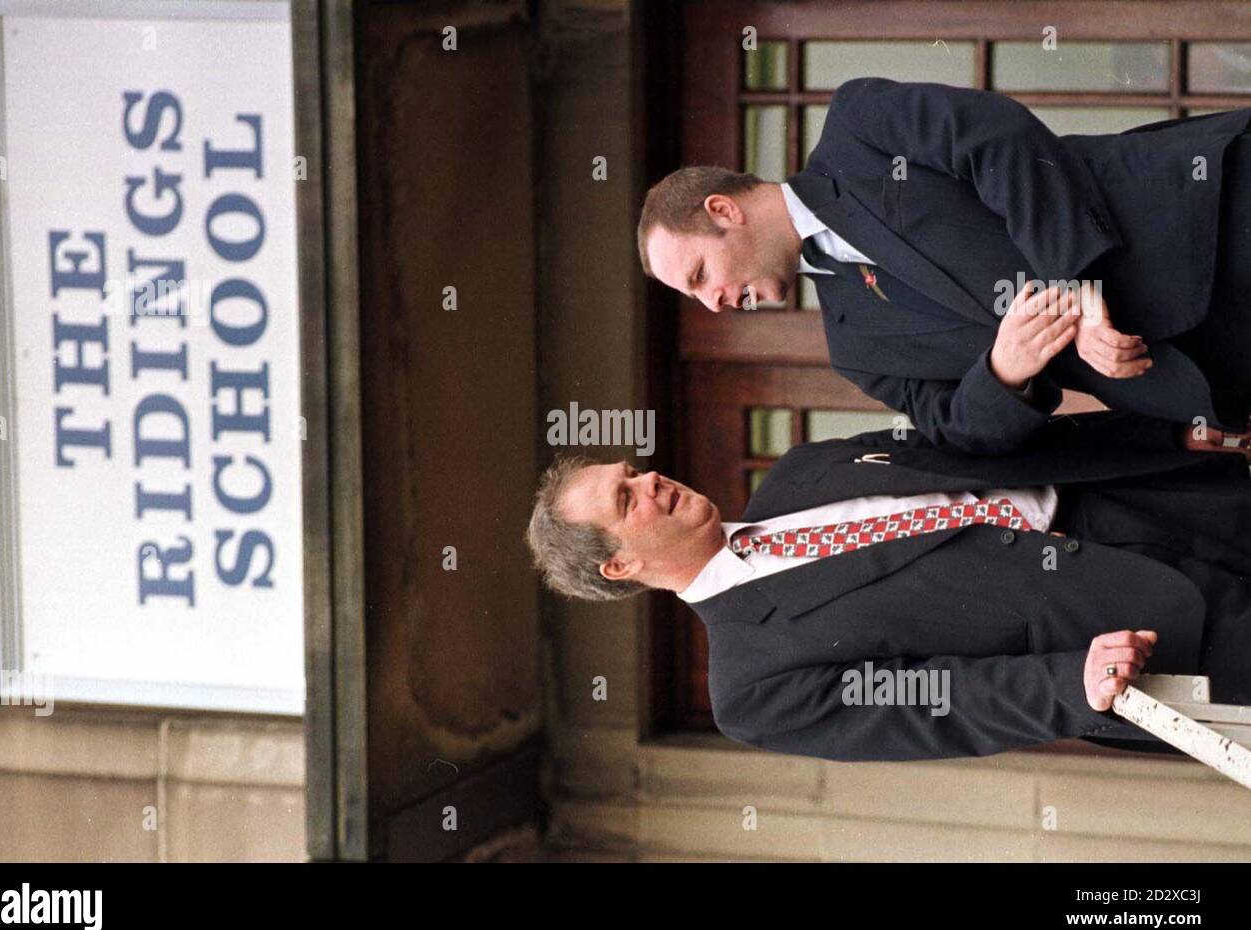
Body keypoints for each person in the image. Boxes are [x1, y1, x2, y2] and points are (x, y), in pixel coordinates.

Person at [525, 411, 1251, 762]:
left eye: (631, 472)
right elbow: (932, 704)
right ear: (617, 565)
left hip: (1160, 500)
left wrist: (1155, 436)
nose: (648, 480)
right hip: (1136, 638)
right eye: (627, 500)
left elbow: (977, 445)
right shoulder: (750, 687)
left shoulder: (800, 470)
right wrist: (1070, 684)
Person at [638, 77, 1251, 455]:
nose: (713, 302)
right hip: (1204, 377)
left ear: (722, 210)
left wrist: (1074, 283)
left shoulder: (857, 129)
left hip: (1211, 222)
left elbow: (999, 138)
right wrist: (1003, 372)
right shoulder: (855, 350)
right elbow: (960, 433)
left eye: (697, 276)